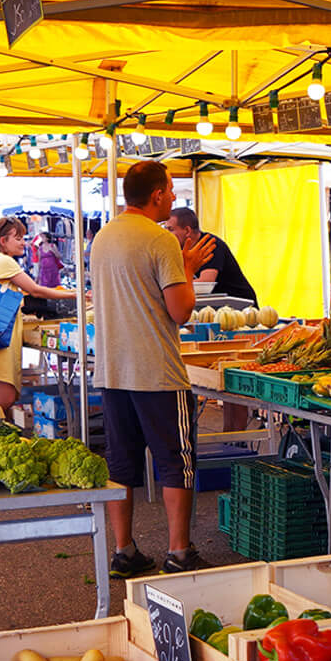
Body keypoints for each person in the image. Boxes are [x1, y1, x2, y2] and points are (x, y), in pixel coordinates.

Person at [91, 160, 217, 577]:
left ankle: (123, 551)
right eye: (171, 189)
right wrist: (188, 269)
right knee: (174, 460)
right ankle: (179, 551)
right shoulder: (160, 240)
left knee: (120, 464)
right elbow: (179, 311)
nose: (175, 196)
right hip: (158, 372)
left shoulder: (103, 237)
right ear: (158, 193)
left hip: (112, 369)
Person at [0, 217, 75, 410]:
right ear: (3, 242)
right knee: (4, 399)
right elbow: (36, 290)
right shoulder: (5, 262)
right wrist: (77, 294)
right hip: (0, 339)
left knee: (0, 398)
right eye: (18, 238)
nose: (23, 243)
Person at [166, 207, 256, 303]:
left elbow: (206, 283)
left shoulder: (211, 244)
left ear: (187, 231)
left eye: (170, 229)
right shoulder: (178, 250)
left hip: (240, 306)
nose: (166, 234)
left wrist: (173, 289)